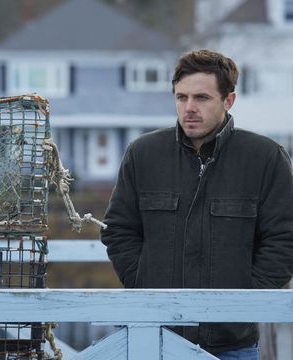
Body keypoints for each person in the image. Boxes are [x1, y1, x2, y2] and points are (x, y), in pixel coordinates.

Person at [100, 49, 293, 359]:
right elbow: (118, 230)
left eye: (201, 98)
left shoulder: (265, 157)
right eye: (181, 97)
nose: (189, 108)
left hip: (232, 343)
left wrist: (245, 298)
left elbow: (285, 239)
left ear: (228, 100)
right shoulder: (143, 154)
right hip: (151, 337)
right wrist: (142, 280)